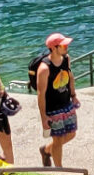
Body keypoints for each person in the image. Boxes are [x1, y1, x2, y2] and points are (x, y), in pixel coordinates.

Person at [33, 33, 79, 167]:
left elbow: (70, 76)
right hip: (52, 109)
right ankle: (60, 170)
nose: (67, 47)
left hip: (66, 103)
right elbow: (40, 95)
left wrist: (74, 95)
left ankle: (46, 150)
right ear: (54, 48)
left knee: (71, 134)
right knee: (57, 140)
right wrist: (43, 117)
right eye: (64, 45)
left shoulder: (66, 59)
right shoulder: (44, 69)